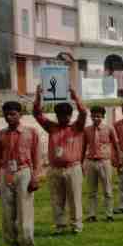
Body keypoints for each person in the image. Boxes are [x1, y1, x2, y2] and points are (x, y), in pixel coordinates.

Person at [33, 85, 87, 233]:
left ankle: (76, 225)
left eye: (67, 115)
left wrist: (74, 94)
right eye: (61, 115)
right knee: (56, 198)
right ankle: (60, 225)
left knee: (74, 198)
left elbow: (83, 112)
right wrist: (39, 96)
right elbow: (37, 114)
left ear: (71, 115)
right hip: (54, 169)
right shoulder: (52, 127)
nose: (64, 118)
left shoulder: (77, 127)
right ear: (56, 116)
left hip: (73, 168)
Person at [0, 101, 42, 246]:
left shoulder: (31, 132)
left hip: (24, 172)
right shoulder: (0, 135)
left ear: (20, 114)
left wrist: (35, 177)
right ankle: (11, 245)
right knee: (7, 212)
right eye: (6, 114)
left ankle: (27, 245)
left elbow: (37, 158)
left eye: (13, 114)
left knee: (24, 210)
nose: (9, 117)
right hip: (5, 172)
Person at [83, 105, 121, 222]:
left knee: (107, 190)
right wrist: (81, 163)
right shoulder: (87, 130)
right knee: (91, 191)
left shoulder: (109, 129)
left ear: (103, 117)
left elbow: (116, 145)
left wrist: (119, 161)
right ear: (90, 117)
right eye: (93, 116)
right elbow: (83, 147)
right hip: (90, 162)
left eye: (98, 116)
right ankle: (91, 215)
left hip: (104, 161)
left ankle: (109, 214)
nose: (96, 119)